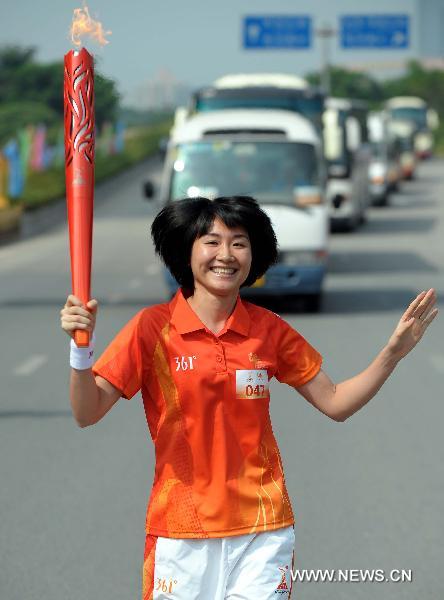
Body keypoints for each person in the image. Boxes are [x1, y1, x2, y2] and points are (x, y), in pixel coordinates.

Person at [60, 196, 437, 600]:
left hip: (263, 531)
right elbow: (87, 411)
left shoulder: (267, 330)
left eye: (239, 242)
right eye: (211, 241)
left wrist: (391, 354)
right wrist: (81, 351)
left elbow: (336, 402)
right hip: (181, 534)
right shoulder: (153, 329)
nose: (225, 254)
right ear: (185, 252)